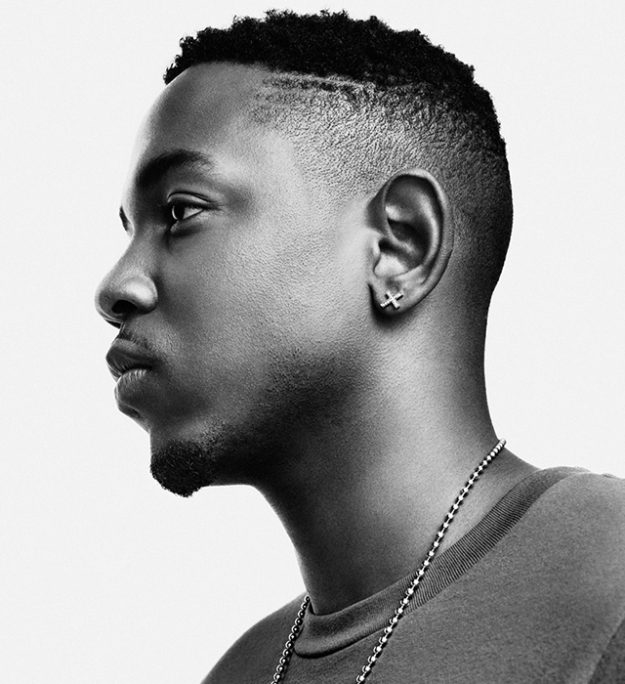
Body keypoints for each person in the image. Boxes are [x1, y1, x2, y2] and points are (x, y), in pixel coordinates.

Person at [95, 10, 625, 683]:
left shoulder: (608, 590)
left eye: (179, 212)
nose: (114, 287)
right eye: (128, 230)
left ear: (399, 246)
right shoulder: (240, 671)